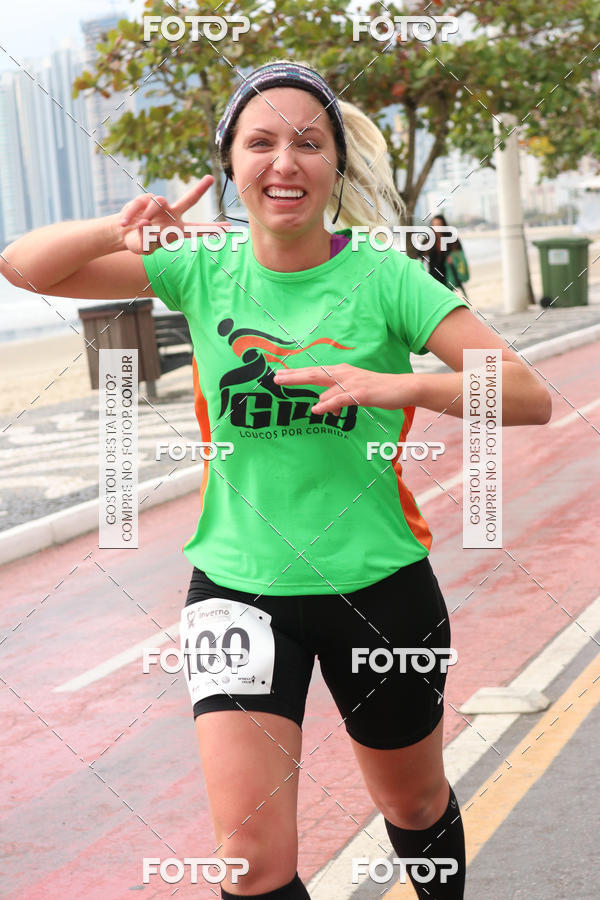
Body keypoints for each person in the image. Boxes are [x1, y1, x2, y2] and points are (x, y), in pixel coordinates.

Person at [0, 59, 552, 899]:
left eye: (308, 143)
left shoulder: (386, 275)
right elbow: (25, 267)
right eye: (259, 142)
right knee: (249, 860)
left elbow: (527, 395)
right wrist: (124, 228)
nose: (283, 162)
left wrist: (397, 385)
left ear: (335, 167)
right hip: (235, 590)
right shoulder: (202, 265)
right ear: (229, 163)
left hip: (379, 588)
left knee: (410, 804)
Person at [425, 214, 470, 297]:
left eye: (439, 225)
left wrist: (453, 257)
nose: (436, 227)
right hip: (434, 272)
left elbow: (459, 252)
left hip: (448, 272)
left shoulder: (451, 237)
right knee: (435, 295)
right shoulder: (429, 238)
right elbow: (420, 253)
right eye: (434, 225)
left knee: (447, 295)